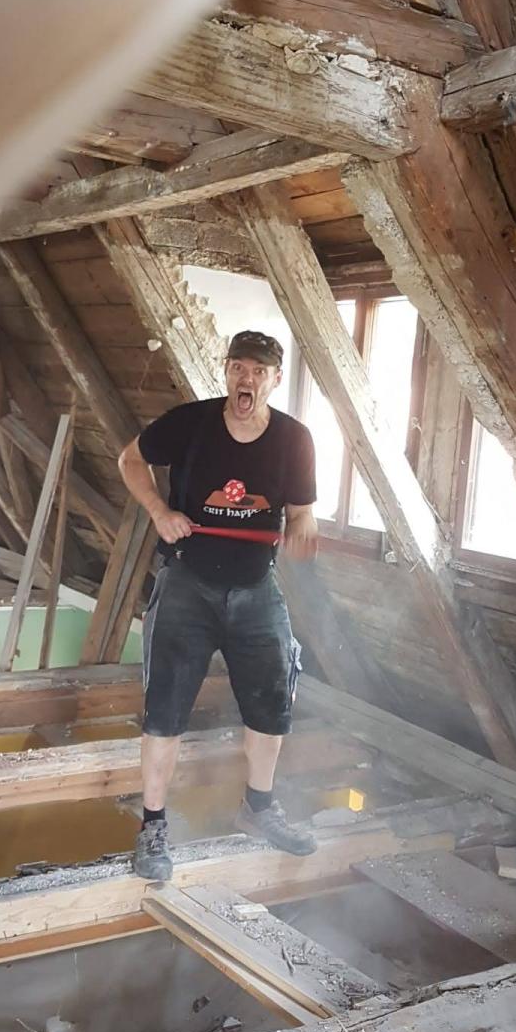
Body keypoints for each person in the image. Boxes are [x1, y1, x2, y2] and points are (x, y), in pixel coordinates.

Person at [118, 330, 319, 880]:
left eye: (258, 371)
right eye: (238, 368)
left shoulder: (294, 440)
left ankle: (259, 809)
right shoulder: (190, 423)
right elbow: (130, 460)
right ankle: (153, 827)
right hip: (187, 583)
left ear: (275, 379)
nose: (246, 379)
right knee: (164, 711)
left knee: (272, 704)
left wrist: (302, 528)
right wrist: (160, 512)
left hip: (256, 588)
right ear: (227, 371)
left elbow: (301, 512)